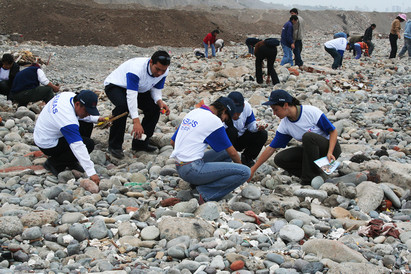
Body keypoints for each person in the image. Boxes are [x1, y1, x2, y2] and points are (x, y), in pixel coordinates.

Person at [248, 90, 341, 185]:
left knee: (308, 137)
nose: (274, 113)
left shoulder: (311, 112)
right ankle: (316, 175)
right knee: (280, 159)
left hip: (330, 151)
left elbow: (333, 131)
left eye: (275, 109)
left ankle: (308, 179)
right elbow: (271, 148)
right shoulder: (285, 125)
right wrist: (253, 170)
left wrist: (330, 152)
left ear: (285, 105)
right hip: (311, 154)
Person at [170, 97, 250, 202]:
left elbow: (172, 142)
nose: (223, 121)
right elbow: (233, 153)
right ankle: (204, 193)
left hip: (179, 166)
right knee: (245, 172)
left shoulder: (194, 112)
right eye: (225, 119)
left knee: (224, 153)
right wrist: (242, 173)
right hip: (192, 170)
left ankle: (197, 182)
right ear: (225, 110)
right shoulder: (214, 120)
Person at [104, 50, 171, 159]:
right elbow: (131, 96)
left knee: (154, 108)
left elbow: (156, 88)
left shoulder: (164, 71)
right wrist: (136, 121)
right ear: (151, 62)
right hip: (116, 86)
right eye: (157, 69)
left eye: (162, 71)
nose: (159, 73)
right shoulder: (136, 69)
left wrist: (159, 101)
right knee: (123, 108)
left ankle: (140, 144)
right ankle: (114, 146)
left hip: (139, 88)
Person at [34, 90, 104, 185]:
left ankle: (71, 160)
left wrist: (97, 119)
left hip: (48, 131)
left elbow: (82, 116)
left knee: (87, 123)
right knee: (88, 144)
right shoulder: (66, 117)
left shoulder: (69, 96)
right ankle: (54, 163)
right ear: (78, 104)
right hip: (47, 143)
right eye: (87, 111)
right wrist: (91, 172)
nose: (88, 114)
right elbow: (78, 145)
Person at [225, 91, 268, 168]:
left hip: (241, 139)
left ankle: (247, 158)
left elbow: (250, 124)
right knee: (232, 131)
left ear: (243, 106)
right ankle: (226, 158)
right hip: (227, 142)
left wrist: (257, 127)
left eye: (238, 112)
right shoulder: (222, 110)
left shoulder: (247, 107)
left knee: (262, 133)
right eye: (234, 111)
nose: (235, 115)